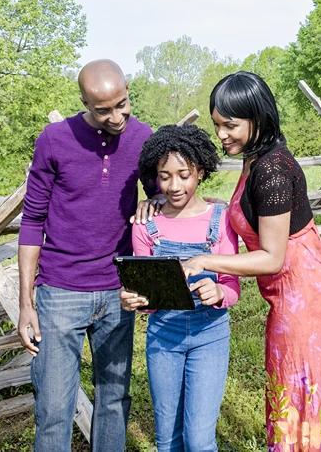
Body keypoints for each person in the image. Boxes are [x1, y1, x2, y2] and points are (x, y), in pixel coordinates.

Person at [167, 71, 321, 451]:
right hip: (289, 294)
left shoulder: (271, 170)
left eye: (230, 125)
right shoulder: (254, 159)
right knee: (289, 387)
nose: (221, 135)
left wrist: (205, 260)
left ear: (258, 118)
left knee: (303, 392)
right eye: (217, 125)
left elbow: (271, 257)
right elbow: (247, 213)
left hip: (306, 297)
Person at [17, 59, 158, 452]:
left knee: (114, 400)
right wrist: (26, 303)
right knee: (53, 407)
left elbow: (163, 194)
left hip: (118, 291)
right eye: (104, 110)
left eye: (123, 104)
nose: (117, 117)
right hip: (60, 292)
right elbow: (32, 222)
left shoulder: (143, 137)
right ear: (83, 102)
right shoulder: (54, 139)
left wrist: (157, 200)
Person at [120, 124, 240, 452]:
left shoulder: (221, 219)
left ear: (200, 171)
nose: (174, 185)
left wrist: (220, 294)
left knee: (199, 440)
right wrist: (135, 299)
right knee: (167, 440)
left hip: (210, 335)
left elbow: (232, 285)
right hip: (163, 338)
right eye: (164, 176)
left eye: (183, 175)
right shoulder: (146, 226)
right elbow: (148, 301)